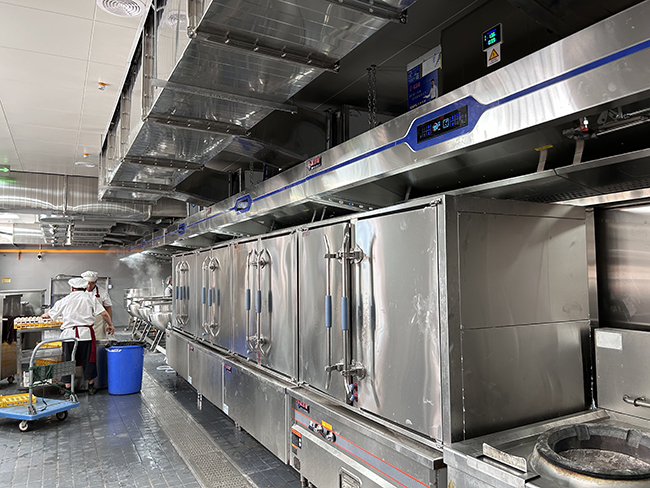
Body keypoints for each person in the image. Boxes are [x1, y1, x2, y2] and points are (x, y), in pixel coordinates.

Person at [41, 278, 114, 396]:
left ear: (72, 288)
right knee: (88, 360)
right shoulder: (90, 298)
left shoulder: (65, 299)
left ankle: (68, 389)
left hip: (69, 335)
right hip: (86, 335)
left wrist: (43, 316)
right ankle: (91, 386)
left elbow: (48, 315)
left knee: (67, 361)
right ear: (85, 288)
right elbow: (104, 313)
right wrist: (110, 324)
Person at [81, 270, 113, 340]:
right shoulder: (79, 292)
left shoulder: (103, 293)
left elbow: (108, 308)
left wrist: (109, 323)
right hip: (83, 324)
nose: (89, 286)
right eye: (87, 283)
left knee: (98, 342)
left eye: (92, 283)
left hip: (98, 325)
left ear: (95, 282)